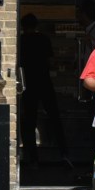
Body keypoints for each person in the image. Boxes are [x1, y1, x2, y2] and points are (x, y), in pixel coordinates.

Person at [18, 13, 62, 166]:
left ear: (23, 26)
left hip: (28, 83)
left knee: (29, 120)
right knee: (54, 116)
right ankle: (63, 152)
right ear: (36, 25)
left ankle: (32, 156)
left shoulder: (20, 41)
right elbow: (51, 60)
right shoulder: (43, 39)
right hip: (44, 81)